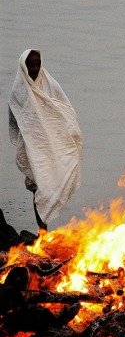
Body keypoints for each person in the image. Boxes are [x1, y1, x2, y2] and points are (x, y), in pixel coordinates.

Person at [8, 49, 83, 230]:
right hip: (31, 147)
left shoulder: (51, 85)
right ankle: (42, 229)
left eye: (37, 64)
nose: (34, 68)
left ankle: (44, 229)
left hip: (53, 144)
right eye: (30, 65)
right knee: (37, 187)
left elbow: (65, 112)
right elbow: (15, 121)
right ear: (23, 66)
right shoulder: (18, 92)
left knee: (53, 180)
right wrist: (32, 135)